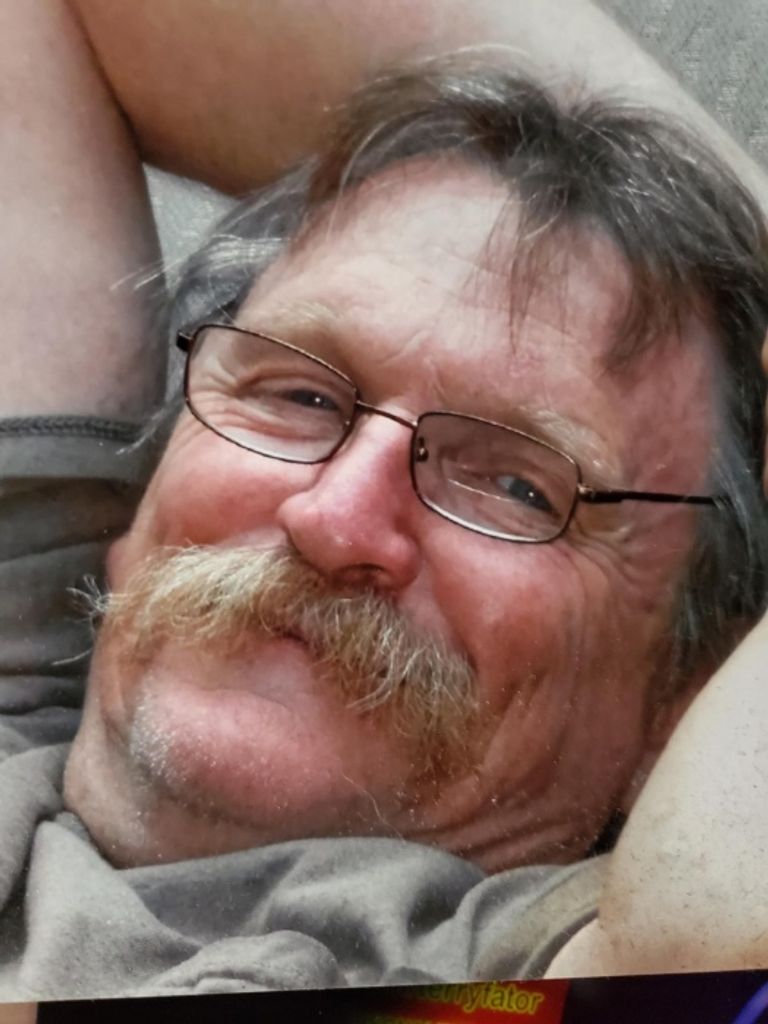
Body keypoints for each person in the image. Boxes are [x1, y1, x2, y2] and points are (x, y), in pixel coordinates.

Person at [2, 0, 768, 1005]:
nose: (332, 522)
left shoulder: (590, 969)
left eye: (517, 485)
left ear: (681, 702)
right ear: (135, 513)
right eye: (299, 396)